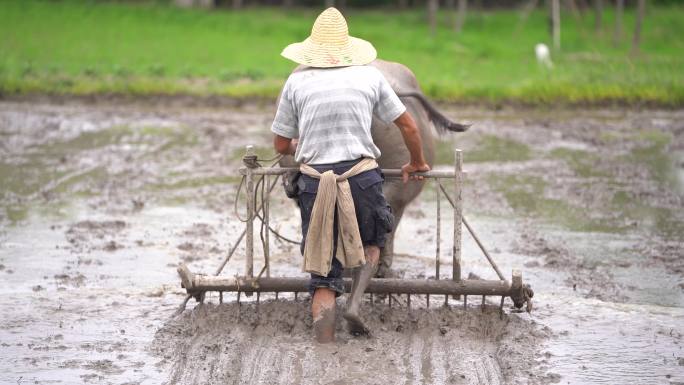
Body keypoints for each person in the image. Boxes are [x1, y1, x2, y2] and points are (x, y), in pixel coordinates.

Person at [271, 7, 430, 343]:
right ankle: (355, 304)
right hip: (361, 178)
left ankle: (324, 348)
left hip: (315, 183)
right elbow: (408, 126)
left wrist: (297, 144)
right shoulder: (370, 77)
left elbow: (280, 143)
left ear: (313, 50)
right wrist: (417, 162)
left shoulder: (297, 80)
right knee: (375, 240)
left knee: (323, 273)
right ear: (348, 48)